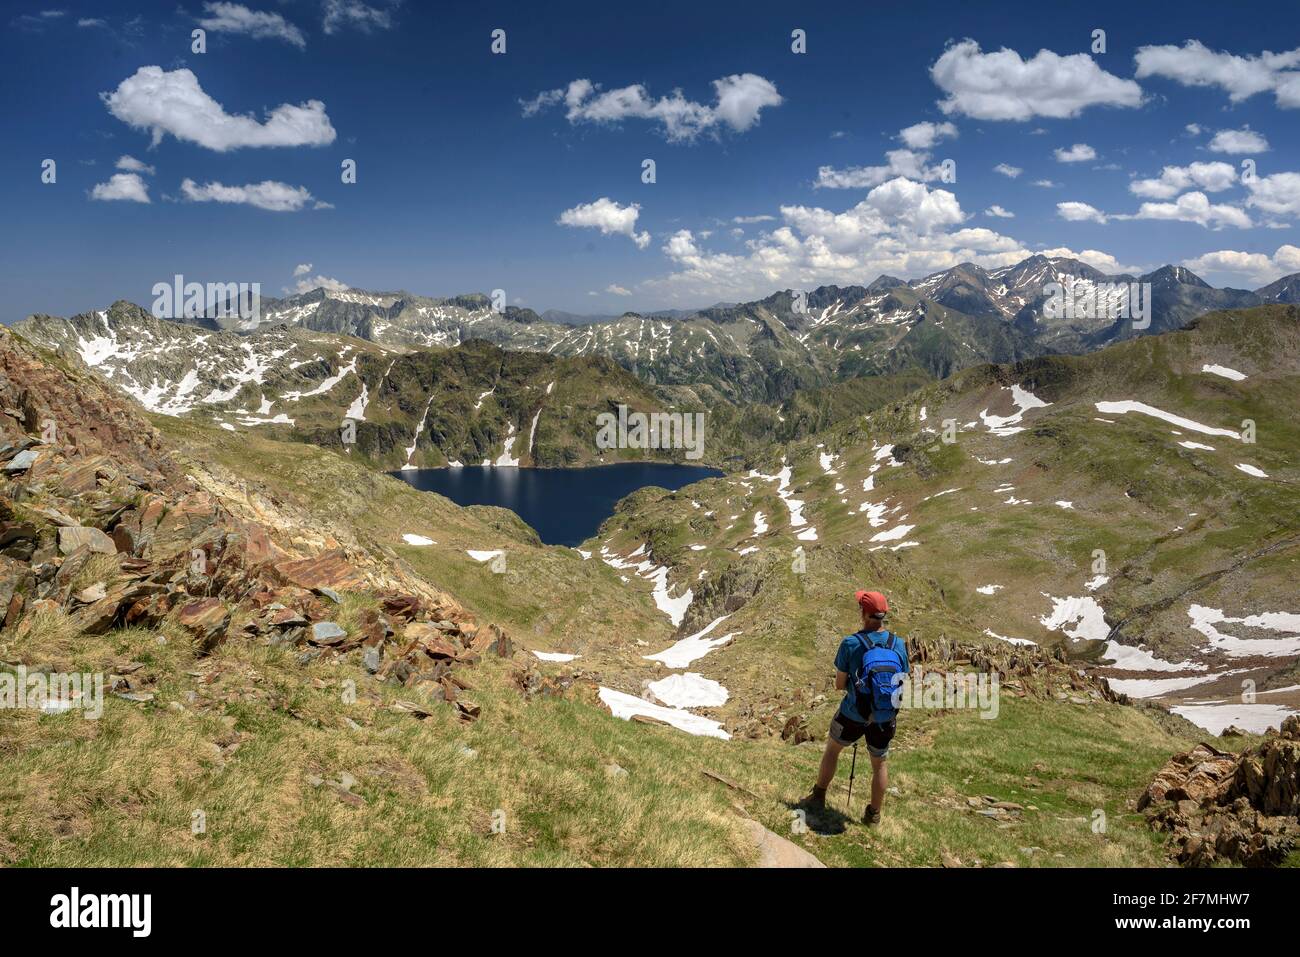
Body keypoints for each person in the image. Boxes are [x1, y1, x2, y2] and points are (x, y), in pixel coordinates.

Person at [803, 589, 909, 825]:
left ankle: (818, 796)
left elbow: (840, 685)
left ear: (864, 613)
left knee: (832, 749)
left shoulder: (851, 643)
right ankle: (873, 815)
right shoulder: (898, 644)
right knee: (879, 763)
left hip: (853, 713)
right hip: (884, 716)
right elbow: (902, 679)